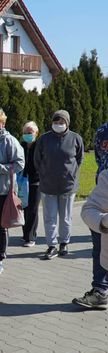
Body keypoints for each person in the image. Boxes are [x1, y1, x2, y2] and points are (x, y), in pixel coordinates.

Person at [34, 110, 84, 260]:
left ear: (67, 123)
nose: (58, 125)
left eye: (61, 122)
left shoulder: (76, 138)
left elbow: (80, 159)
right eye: (56, 122)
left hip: (68, 186)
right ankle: (51, 245)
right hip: (48, 185)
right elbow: (37, 160)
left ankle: (64, 242)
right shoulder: (44, 139)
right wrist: (43, 174)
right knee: (49, 218)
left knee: (65, 217)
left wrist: (72, 174)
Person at [0, 109, 25, 275]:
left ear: (3, 123)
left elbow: (20, 164)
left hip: (2, 190)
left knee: (0, 226)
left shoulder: (10, 141)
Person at [73, 122, 108, 309]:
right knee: (100, 245)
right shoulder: (103, 130)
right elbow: (99, 157)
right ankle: (100, 290)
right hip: (104, 190)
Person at [20, 121, 42, 247]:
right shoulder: (21, 146)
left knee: (33, 209)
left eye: (30, 132)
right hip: (22, 181)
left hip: (36, 181)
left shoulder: (39, 146)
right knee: (24, 208)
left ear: (36, 133)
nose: (27, 135)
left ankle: (31, 237)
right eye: (25, 133)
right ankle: (25, 234)